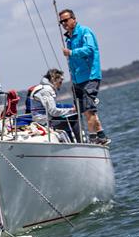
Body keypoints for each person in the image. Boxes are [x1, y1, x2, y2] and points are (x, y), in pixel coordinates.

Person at [59, 8, 110, 145]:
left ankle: (92, 140)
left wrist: (71, 52)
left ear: (74, 19)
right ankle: (102, 136)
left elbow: (89, 49)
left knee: (89, 110)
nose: (64, 23)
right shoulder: (68, 38)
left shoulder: (85, 32)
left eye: (66, 20)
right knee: (86, 112)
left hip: (90, 77)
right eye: (61, 21)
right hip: (77, 80)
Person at [30, 68, 79, 141]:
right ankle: (79, 142)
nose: (61, 84)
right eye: (60, 82)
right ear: (54, 79)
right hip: (44, 122)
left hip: (44, 119)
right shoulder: (46, 90)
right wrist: (72, 110)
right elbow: (53, 111)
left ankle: (70, 140)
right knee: (74, 117)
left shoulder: (43, 87)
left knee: (69, 117)